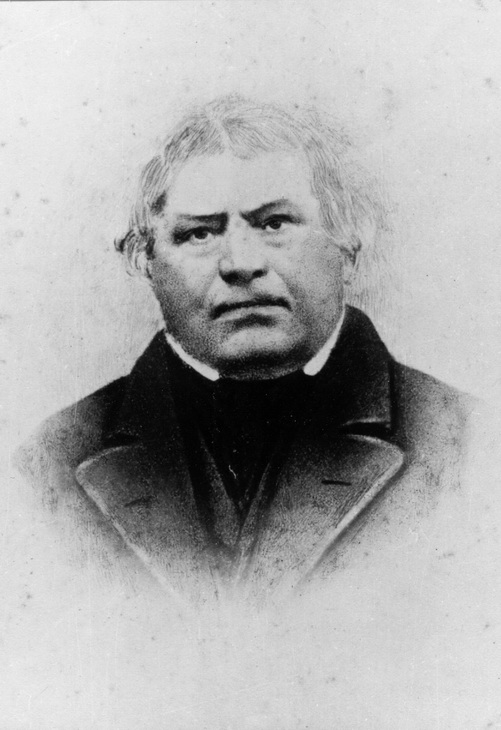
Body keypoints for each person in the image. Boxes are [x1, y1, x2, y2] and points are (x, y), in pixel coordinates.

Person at [17, 95, 475, 603]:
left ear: (348, 246)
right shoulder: (48, 461)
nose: (240, 263)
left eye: (274, 224)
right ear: (146, 261)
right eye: (199, 233)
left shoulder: (468, 442)